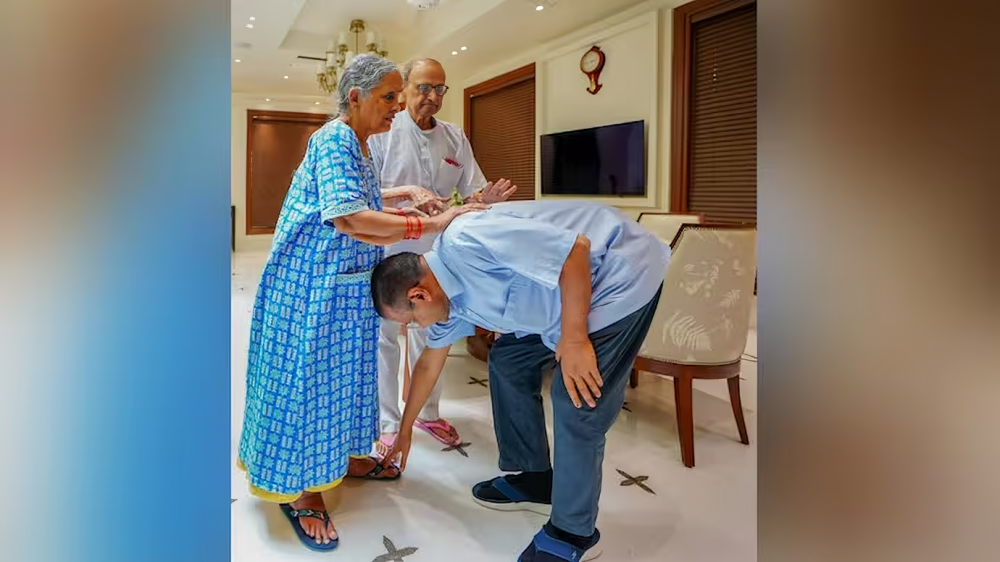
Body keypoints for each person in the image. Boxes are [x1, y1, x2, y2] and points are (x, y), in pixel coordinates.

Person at [237, 54, 484, 552]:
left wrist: (405, 196)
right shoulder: (333, 139)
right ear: (355, 97)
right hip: (309, 289)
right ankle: (303, 491)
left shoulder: (360, 145)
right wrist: (431, 224)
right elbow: (349, 217)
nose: (398, 106)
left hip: (343, 285)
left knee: (346, 381)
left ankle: (341, 459)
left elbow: (360, 196)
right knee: (312, 385)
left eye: (398, 96)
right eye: (389, 97)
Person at [370, 201, 670, 562]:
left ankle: (573, 532)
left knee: (574, 399)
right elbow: (427, 365)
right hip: (562, 302)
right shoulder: (448, 304)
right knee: (509, 359)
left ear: (419, 295)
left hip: (620, 274)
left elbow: (576, 251)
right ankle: (536, 477)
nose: (414, 328)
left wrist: (574, 339)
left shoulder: (466, 240)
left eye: (409, 321)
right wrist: (404, 431)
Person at [367, 58, 517, 453]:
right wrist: (406, 195)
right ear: (405, 89)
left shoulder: (454, 138)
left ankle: (427, 414)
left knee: (431, 333)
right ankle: (387, 421)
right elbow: (363, 195)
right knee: (384, 336)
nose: (431, 97)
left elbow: (470, 193)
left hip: (435, 254)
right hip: (386, 246)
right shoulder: (383, 131)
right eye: (423, 88)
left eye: (439, 89)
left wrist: (486, 199)